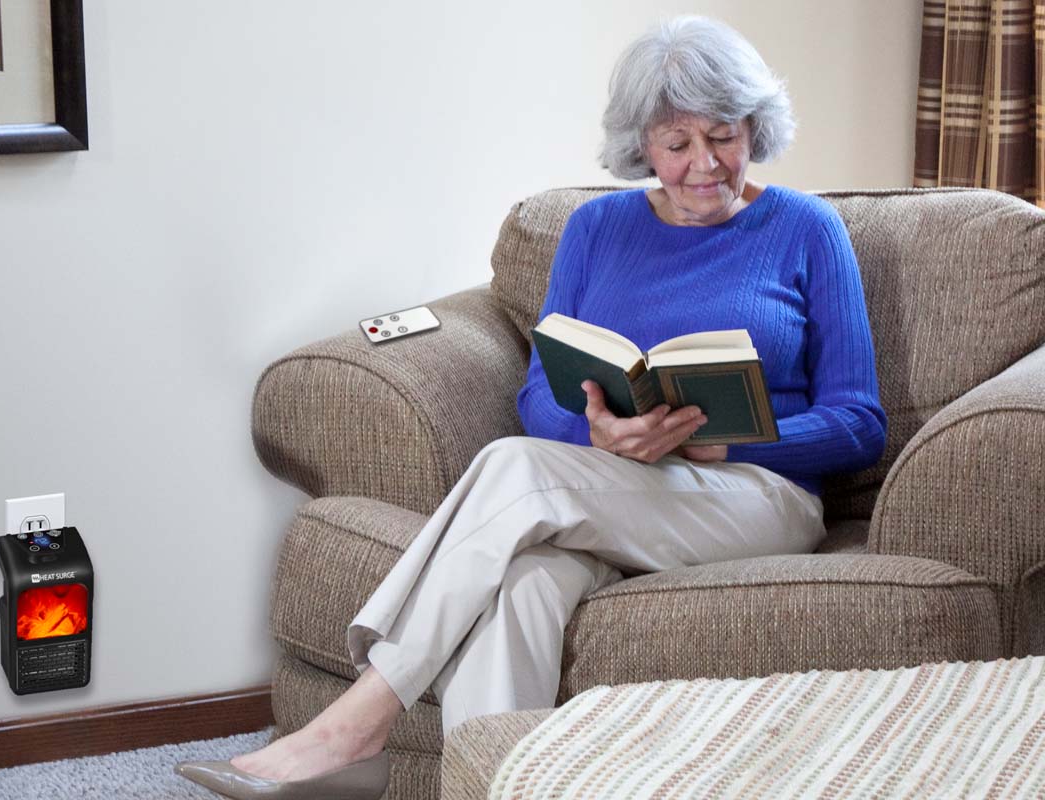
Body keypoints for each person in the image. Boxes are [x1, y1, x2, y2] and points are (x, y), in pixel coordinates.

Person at [176, 15, 887, 800]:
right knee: (523, 584)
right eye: (676, 143)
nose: (703, 164)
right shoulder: (596, 228)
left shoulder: (807, 230)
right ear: (640, 146)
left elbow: (858, 422)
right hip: (608, 488)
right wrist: (598, 430)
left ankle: (361, 718)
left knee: (514, 470)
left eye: (723, 135)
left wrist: (728, 443)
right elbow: (539, 392)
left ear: (756, 126)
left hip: (757, 499)